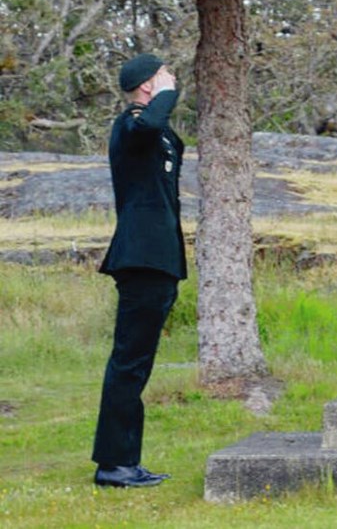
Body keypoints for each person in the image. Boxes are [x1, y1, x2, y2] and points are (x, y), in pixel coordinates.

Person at [92, 53, 187, 487]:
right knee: (129, 364)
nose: (172, 79)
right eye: (163, 76)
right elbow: (148, 125)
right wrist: (165, 93)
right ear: (148, 87)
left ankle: (124, 460)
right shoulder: (131, 125)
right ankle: (114, 464)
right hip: (142, 259)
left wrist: (162, 99)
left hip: (158, 259)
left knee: (137, 364)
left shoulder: (151, 131)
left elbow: (163, 139)